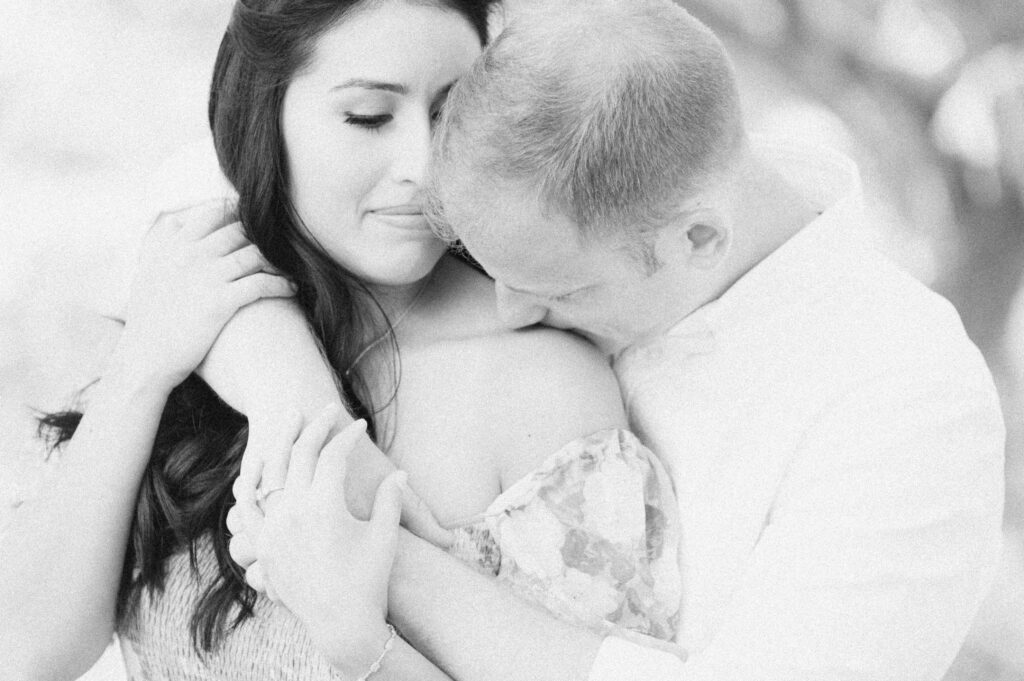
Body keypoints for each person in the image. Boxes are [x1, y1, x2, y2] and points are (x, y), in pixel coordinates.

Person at [226, 0, 1006, 679]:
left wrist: (380, 559)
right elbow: (222, 214)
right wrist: (301, 409)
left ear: (695, 239)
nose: (506, 312)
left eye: (557, 292)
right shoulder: (548, 203)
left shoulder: (908, 402)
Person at [0, 1, 684, 679]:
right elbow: (26, 650)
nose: (423, 166)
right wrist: (148, 366)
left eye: (452, 114)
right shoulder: (204, 304)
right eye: (369, 117)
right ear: (265, 116)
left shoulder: (541, 383)